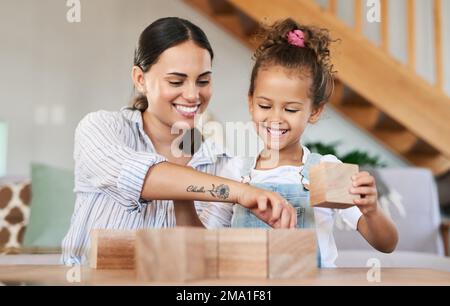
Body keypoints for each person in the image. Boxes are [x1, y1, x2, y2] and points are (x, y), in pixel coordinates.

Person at [61, 17, 297, 265]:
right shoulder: (101, 128)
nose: (193, 95)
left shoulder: (223, 164)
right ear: (140, 79)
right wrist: (238, 192)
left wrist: (183, 196)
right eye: (176, 81)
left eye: (203, 80)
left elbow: (202, 262)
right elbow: (135, 176)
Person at [230, 18, 398, 267]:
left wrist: (371, 211)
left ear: (315, 111)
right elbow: (206, 241)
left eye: (291, 109)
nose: (275, 118)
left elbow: (386, 244)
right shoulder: (235, 172)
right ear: (251, 103)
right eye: (265, 105)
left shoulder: (325, 170)